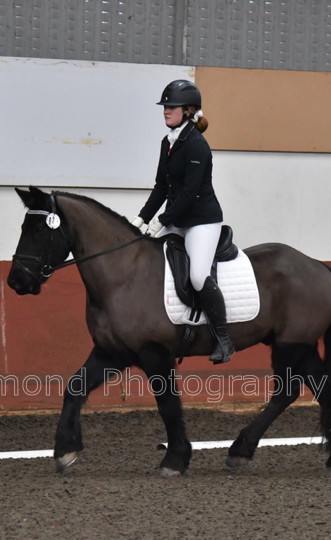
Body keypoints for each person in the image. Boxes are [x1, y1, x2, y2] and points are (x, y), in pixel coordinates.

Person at [131, 79, 235, 364]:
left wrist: (162, 221)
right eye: (165, 106)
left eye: (171, 106)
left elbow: (189, 193)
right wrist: (141, 219)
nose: (166, 110)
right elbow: (161, 188)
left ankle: (224, 339)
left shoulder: (197, 146)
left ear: (189, 110)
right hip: (178, 218)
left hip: (202, 221)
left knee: (199, 275)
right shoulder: (168, 142)